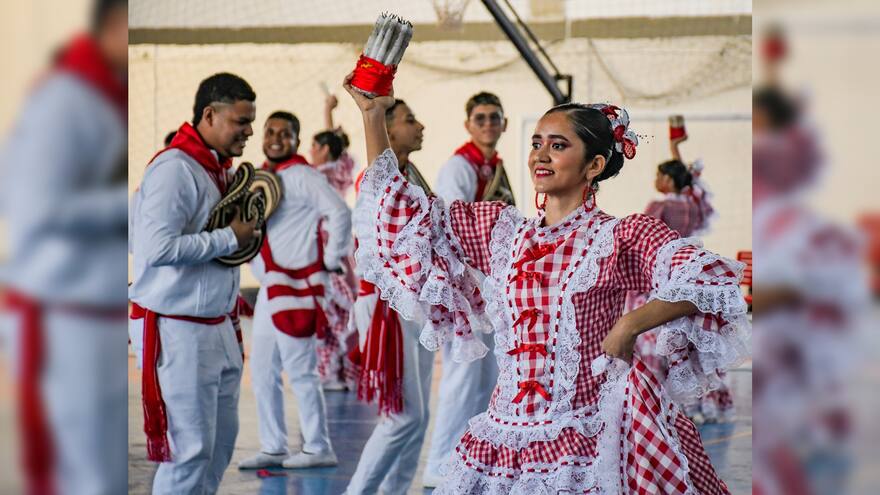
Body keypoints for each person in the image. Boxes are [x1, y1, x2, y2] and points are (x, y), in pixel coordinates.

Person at [345, 71, 750, 494]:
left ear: (594, 165)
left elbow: (709, 276)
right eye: (537, 143)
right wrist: (373, 116)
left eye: (558, 146)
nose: (541, 154)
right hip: (505, 437)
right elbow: (405, 213)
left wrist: (630, 324)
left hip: (585, 436)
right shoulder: (502, 232)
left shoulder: (618, 236)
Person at [0, 1, 128, 493]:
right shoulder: (65, 100)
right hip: (70, 312)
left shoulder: (103, 96)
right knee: (87, 475)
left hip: (98, 308)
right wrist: (125, 205)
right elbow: (36, 208)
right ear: (115, 26)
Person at [129, 72, 260, 494]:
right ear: (210, 114)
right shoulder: (174, 169)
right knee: (188, 453)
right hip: (179, 328)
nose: (250, 131)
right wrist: (230, 237)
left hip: (217, 325)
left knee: (219, 448)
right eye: (241, 121)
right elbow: (155, 248)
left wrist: (247, 236)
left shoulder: (218, 169)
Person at [236, 113, 351, 470]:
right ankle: (273, 445)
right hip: (273, 287)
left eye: (285, 133)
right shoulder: (260, 177)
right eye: (270, 132)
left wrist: (330, 261)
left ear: (297, 140)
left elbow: (339, 212)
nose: (275, 138)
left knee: (301, 371)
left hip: (299, 285)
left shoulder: (303, 175)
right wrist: (258, 269)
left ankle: (318, 447)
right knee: (262, 370)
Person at [423, 91, 515, 487]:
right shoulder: (459, 166)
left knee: (490, 380)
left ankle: (472, 458)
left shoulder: (494, 166)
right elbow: (454, 229)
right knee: (462, 381)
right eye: (481, 118)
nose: (488, 124)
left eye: (495, 117)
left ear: (504, 123)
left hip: (489, 287)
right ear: (468, 125)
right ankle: (440, 463)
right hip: (466, 288)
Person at [345, 98, 435, 495]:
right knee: (402, 416)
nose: (420, 126)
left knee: (418, 416)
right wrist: (373, 113)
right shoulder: (378, 178)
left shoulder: (410, 173)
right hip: (387, 305)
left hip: (415, 302)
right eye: (410, 119)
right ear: (388, 129)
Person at [630, 131, 733, 425]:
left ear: (668, 181)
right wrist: (675, 148)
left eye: (659, 176)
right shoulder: (692, 205)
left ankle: (664, 401)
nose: (655, 181)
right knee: (692, 340)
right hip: (692, 273)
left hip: (663, 274)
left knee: (657, 336)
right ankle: (702, 402)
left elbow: (644, 241)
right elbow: (692, 186)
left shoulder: (659, 206)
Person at [307, 130, 358, 391]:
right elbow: (341, 150)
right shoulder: (343, 172)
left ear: (325, 149)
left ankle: (329, 372)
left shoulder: (316, 177)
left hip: (327, 248)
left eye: (314, 145)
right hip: (346, 251)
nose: (310, 150)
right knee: (342, 310)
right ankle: (342, 371)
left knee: (329, 310)